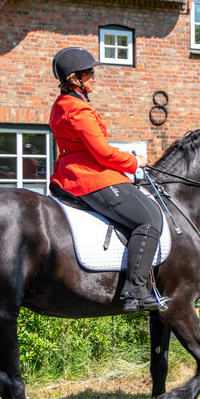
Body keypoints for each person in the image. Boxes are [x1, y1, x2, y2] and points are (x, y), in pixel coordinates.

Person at [48, 46, 166, 312]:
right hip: (90, 177)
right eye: (89, 73)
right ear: (75, 79)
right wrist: (135, 162)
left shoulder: (60, 105)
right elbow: (102, 153)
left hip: (69, 174)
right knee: (149, 219)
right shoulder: (79, 110)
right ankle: (136, 292)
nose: (94, 77)